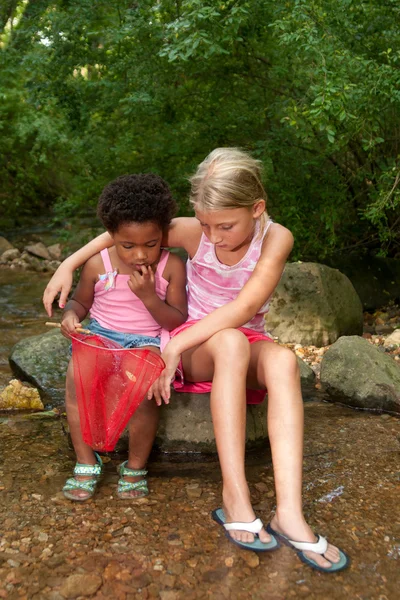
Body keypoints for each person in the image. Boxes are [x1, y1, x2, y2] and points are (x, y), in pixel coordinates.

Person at [44, 149, 349, 572]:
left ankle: (290, 513)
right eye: (205, 224)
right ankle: (234, 495)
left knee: (281, 362)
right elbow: (123, 236)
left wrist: (167, 350)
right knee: (229, 344)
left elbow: (245, 309)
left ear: (257, 209)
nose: (215, 236)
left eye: (225, 225)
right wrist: (69, 263)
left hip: (234, 334)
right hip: (194, 343)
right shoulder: (195, 232)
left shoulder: (277, 238)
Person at [59, 173, 187, 501]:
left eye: (151, 244)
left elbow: (177, 318)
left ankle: (135, 466)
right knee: (77, 379)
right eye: (128, 245)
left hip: (145, 340)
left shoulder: (171, 266)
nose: (140, 255)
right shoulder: (96, 265)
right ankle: (86, 461)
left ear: (164, 235)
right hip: (101, 335)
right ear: (111, 236)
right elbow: (80, 301)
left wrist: (148, 297)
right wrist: (71, 315)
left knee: (146, 388)